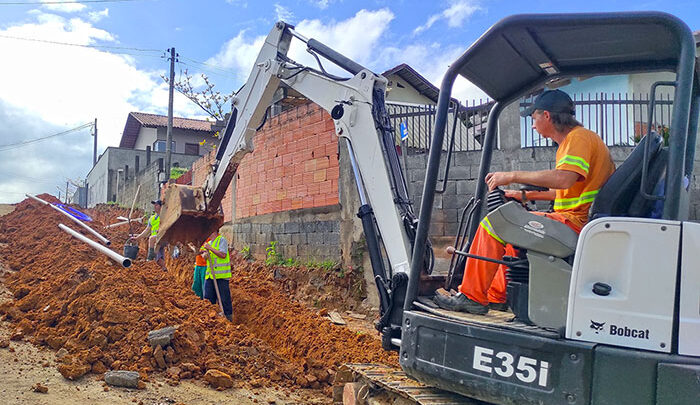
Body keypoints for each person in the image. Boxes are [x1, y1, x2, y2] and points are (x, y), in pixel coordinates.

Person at [435, 89, 615, 315]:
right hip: (575, 223)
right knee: (512, 233)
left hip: (574, 225)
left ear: (546, 116)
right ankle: (495, 297)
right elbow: (562, 190)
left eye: (533, 118)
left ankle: (471, 296)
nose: (532, 125)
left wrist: (511, 176)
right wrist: (522, 196)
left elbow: (563, 179)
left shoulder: (578, 138)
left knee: (493, 225)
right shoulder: (579, 140)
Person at [201, 229, 233, 321]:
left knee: (224, 300)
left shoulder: (221, 240)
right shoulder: (209, 243)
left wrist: (210, 248)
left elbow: (223, 254)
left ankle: (228, 320)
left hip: (221, 277)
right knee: (208, 299)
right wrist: (205, 256)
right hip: (210, 276)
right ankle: (210, 319)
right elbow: (207, 256)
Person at [131, 200, 166, 271]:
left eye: (157, 205)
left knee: (151, 239)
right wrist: (137, 238)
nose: (155, 206)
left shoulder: (165, 217)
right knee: (159, 259)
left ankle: (150, 259)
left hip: (164, 238)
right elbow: (147, 230)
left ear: (161, 206)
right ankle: (164, 270)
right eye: (154, 205)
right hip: (156, 241)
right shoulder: (152, 218)